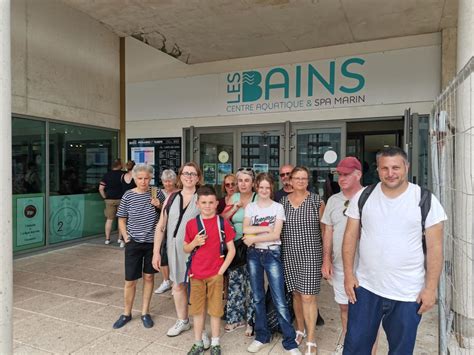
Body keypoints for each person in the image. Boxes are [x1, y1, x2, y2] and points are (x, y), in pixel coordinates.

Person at [342, 147, 447, 354]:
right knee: (355, 348)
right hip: (366, 288)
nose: (390, 173)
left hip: (408, 294)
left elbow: (435, 248)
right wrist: (348, 274)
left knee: (401, 350)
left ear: (406, 167)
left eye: (396, 167)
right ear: (378, 170)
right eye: (385, 168)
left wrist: (431, 288)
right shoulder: (364, 196)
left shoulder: (425, 200)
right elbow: (349, 237)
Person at [243, 173, 301, 354]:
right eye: (261, 187)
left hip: (272, 253)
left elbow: (276, 235)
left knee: (279, 298)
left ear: (271, 189)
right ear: (256, 188)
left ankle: (290, 341)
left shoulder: (278, 207)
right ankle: (262, 335)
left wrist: (254, 237)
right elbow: (245, 229)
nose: (264, 191)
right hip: (253, 255)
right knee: (258, 297)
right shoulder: (251, 207)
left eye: (267, 188)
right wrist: (266, 227)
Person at [321, 157, 369, 354]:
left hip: (366, 267)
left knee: (366, 312)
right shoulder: (333, 200)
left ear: (358, 174)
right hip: (340, 266)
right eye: (339, 174)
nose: (341, 178)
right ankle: (349, 341)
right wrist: (326, 259)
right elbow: (328, 231)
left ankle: (365, 346)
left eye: (346, 174)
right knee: (344, 308)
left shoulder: (370, 197)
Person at [184, 186, 236, 355]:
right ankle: (198, 342)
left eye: (211, 202)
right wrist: (194, 243)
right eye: (204, 202)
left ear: (216, 204)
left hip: (215, 274)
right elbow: (185, 248)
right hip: (196, 274)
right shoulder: (192, 224)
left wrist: (221, 271)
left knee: (215, 310)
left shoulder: (223, 223)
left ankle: (215, 343)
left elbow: (232, 249)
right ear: (197, 204)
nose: (207, 206)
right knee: (197, 310)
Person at [152, 162, 202, 337]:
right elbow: (161, 226)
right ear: (180, 176)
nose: (189, 177)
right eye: (186, 173)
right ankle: (183, 320)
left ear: (198, 178)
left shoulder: (202, 198)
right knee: (177, 285)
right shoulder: (171, 198)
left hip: (195, 250)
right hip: (173, 249)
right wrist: (156, 252)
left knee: (197, 288)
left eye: (193, 174)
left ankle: (199, 327)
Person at [280, 166, 325, 355]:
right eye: (297, 178)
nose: (300, 181)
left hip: (311, 254)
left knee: (308, 296)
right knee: (296, 294)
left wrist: (326, 257)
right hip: (289, 253)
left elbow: (324, 231)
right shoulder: (282, 202)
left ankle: (311, 339)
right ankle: (300, 328)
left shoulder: (317, 201)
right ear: (290, 180)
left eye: (304, 178)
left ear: (308, 181)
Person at [112, 164, 161, 329]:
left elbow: (166, 216)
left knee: (149, 277)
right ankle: (126, 313)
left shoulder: (156, 193)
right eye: (140, 178)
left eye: (147, 178)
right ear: (134, 178)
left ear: (151, 178)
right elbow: (121, 218)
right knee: (130, 280)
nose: (143, 181)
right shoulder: (128, 195)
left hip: (151, 243)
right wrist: (126, 237)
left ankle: (145, 312)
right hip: (133, 243)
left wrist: (159, 205)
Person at [221, 167, 256, 335]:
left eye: (246, 180)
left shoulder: (258, 198)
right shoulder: (234, 197)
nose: (243, 184)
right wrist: (235, 207)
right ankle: (235, 319)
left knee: (252, 284)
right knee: (235, 283)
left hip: (253, 245)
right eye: (240, 181)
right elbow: (223, 218)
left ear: (253, 183)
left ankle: (251, 321)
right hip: (235, 245)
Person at [154, 169, 179, 294]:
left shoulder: (179, 193)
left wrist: (160, 205)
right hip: (163, 228)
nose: (167, 184)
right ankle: (166, 280)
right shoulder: (159, 193)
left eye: (170, 181)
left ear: (175, 181)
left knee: (175, 256)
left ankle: (175, 281)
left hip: (176, 229)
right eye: (165, 181)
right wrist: (157, 205)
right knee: (163, 255)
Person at [99, 159, 124, 246]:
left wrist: (105, 197)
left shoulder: (107, 175)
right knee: (121, 219)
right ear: (120, 165)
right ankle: (120, 239)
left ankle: (107, 239)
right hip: (121, 200)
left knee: (109, 220)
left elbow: (101, 188)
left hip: (109, 200)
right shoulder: (123, 174)